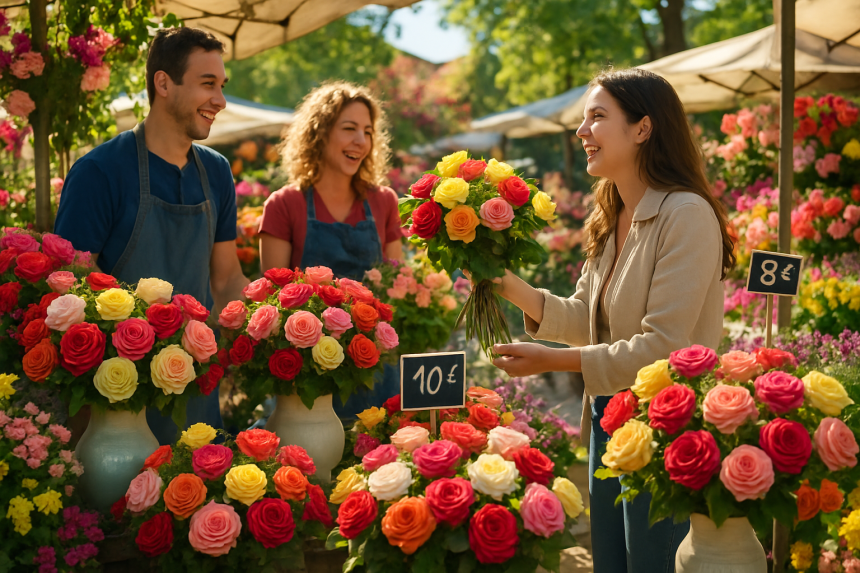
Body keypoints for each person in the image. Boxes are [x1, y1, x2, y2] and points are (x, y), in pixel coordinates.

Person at [485, 68, 735, 572]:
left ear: (643, 128)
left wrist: (551, 361)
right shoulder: (611, 212)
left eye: (597, 117)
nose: (582, 132)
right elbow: (587, 317)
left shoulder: (686, 214)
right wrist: (501, 281)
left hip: (664, 432)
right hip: (607, 420)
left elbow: (663, 348)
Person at [54, 27, 249, 444]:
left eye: (222, 85)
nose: (220, 100)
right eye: (208, 84)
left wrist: (279, 326)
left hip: (196, 391)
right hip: (120, 397)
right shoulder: (100, 172)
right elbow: (68, 293)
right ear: (163, 83)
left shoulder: (216, 172)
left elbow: (227, 278)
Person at [258, 81, 403, 417]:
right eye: (349, 129)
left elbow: (396, 288)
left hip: (375, 368)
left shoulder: (383, 202)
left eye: (367, 132)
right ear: (319, 133)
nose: (361, 141)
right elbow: (272, 304)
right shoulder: (284, 205)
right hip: (310, 375)